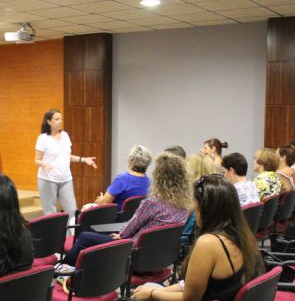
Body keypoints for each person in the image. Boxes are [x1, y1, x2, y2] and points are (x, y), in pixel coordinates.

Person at [132, 175, 263, 301]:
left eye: (195, 202)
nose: (193, 207)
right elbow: (195, 285)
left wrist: (152, 294)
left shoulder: (209, 243)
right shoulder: (242, 236)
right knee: (149, 287)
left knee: (144, 294)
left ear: (205, 207)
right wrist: (158, 291)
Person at [62, 152, 191, 267]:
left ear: (158, 178)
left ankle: (62, 272)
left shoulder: (152, 203)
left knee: (85, 237)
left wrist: (121, 235)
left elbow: (128, 230)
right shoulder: (185, 206)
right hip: (161, 258)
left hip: (135, 256)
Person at [35, 109, 97, 218]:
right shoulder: (43, 138)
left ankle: (71, 235)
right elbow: (37, 160)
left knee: (72, 210)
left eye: (61, 119)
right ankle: (54, 235)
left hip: (66, 179)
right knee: (50, 213)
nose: (60, 121)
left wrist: (84, 159)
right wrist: (44, 164)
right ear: (49, 121)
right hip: (48, 179)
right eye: (57, 119)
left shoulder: (65, 135)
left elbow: (66, 156)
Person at [92, 144, 151, 210]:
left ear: (130, 160)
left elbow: (103, 204)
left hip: (119, 219)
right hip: (140, 219)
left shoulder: (121, 180)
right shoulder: (149, 182)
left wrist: (102, 199)